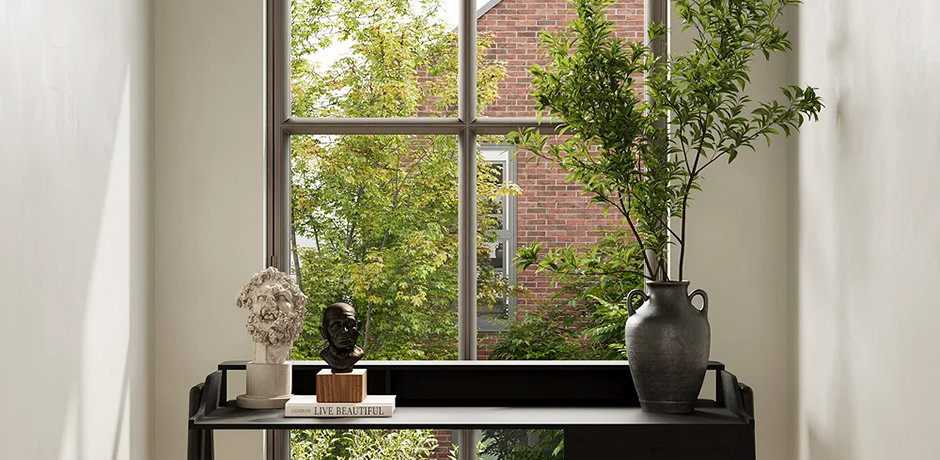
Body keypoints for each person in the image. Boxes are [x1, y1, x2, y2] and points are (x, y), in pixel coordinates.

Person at [319, 302, 365, 372]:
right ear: (324, 332)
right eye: (336, 326)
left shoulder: (358, 354)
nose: (344, 330)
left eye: (350, 324)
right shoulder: (326, 355)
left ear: (358, 328)